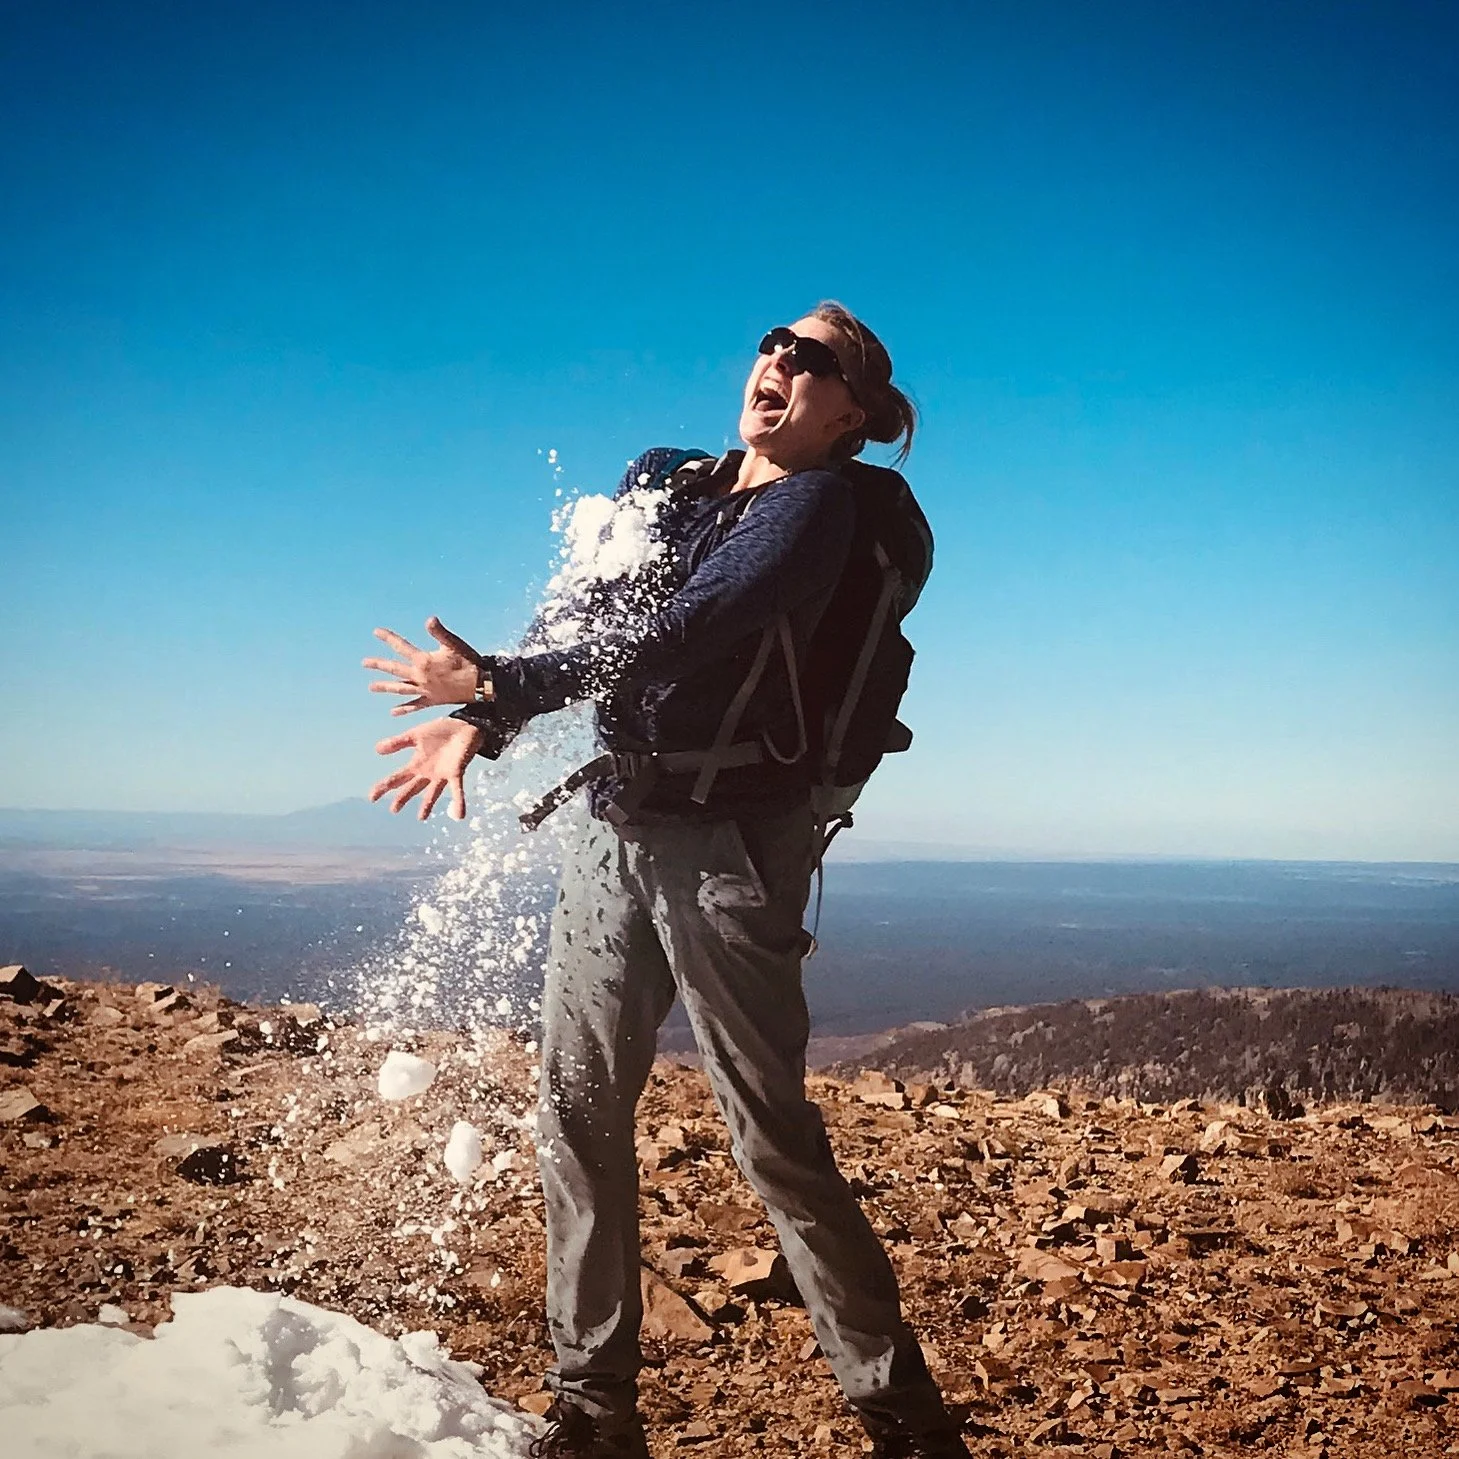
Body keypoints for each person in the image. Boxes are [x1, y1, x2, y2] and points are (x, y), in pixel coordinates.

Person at [363, 304, 969, 1459]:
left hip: (734, 850)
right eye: (773, 342)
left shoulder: (819, 508)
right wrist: (487, 717)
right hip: (613, 823)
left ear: (850, 415)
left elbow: (686, 628)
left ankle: (903, 1418)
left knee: (767, 1132)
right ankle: (594, 1408)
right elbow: (593, 611)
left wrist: (498, 680)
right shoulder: (671, 481)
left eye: (814, 360)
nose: (779, 363)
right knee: (576, 1110)